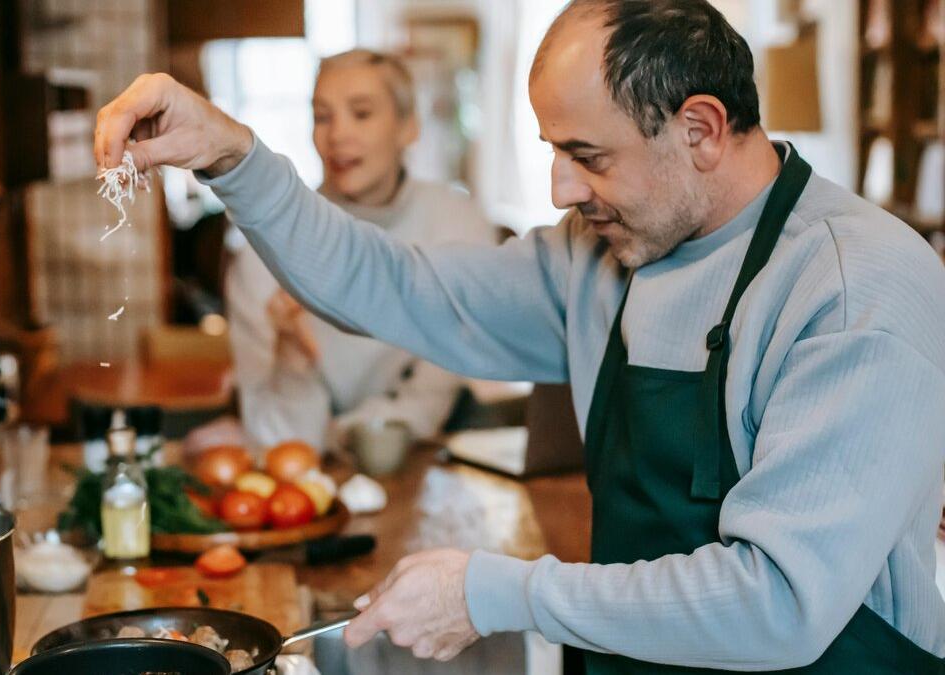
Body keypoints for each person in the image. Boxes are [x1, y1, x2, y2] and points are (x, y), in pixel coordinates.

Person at [94, 0, 945, 671]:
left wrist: (501, 591)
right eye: (550, 149)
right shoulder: (596, 261)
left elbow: (782, 602)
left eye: (589, 155)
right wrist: (233, 158)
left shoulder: (853, 286)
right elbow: (395, 286)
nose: (559, 188)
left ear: (701, 130)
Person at [223, 49, 491, 453]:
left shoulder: (458, 225)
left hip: (419, 464)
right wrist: (294, 362)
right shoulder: (263, 254)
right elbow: (277, 439)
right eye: (322, 116)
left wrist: (340, 433)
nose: (338, 135)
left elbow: (428, 400)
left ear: (409, 127)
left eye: (361, 113)